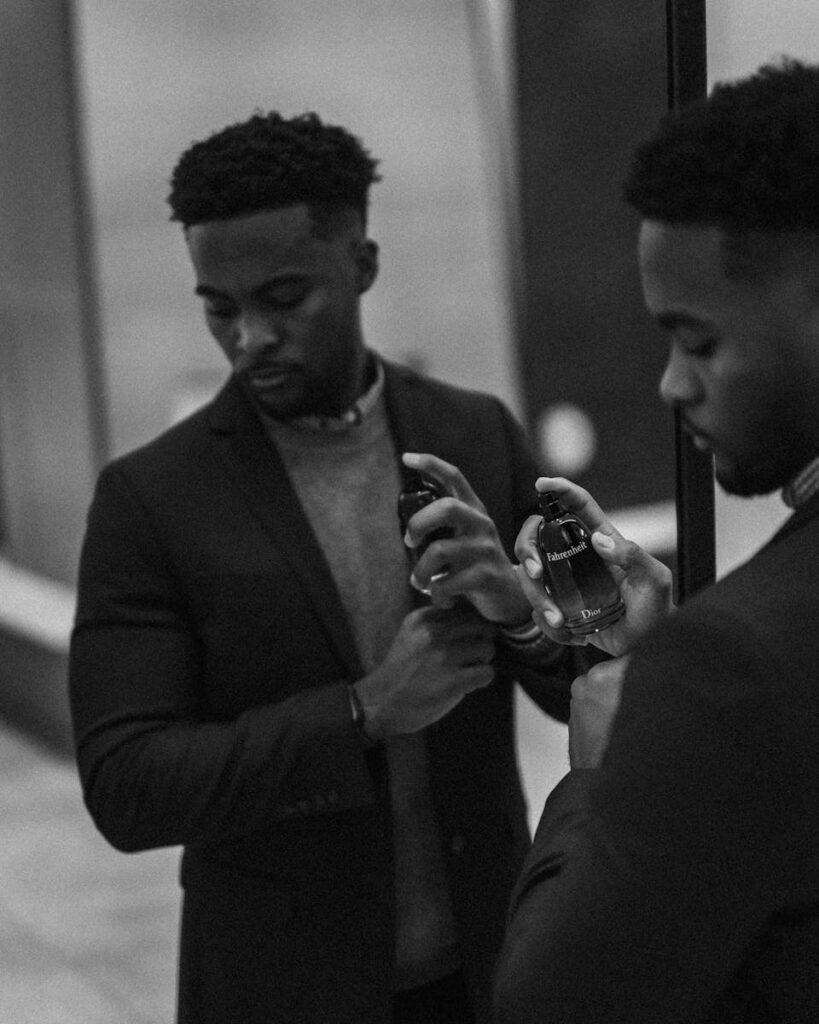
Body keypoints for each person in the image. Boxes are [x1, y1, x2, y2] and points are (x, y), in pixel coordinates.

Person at [68, 110, 595, 1024]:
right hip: (283, 985)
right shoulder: (151, 498)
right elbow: (128, 784)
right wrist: (362, 711)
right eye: (219, 309)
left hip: (486, 962)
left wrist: (519, 615)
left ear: (362, 265)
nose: (249, 339)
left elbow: (589, 681)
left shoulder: (474, 433)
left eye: (282, 298)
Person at [493, 58, 819, 1023]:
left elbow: (552, 1006)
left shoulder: (728, 669)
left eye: (698, 339)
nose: (671, 385)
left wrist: (605, 770)